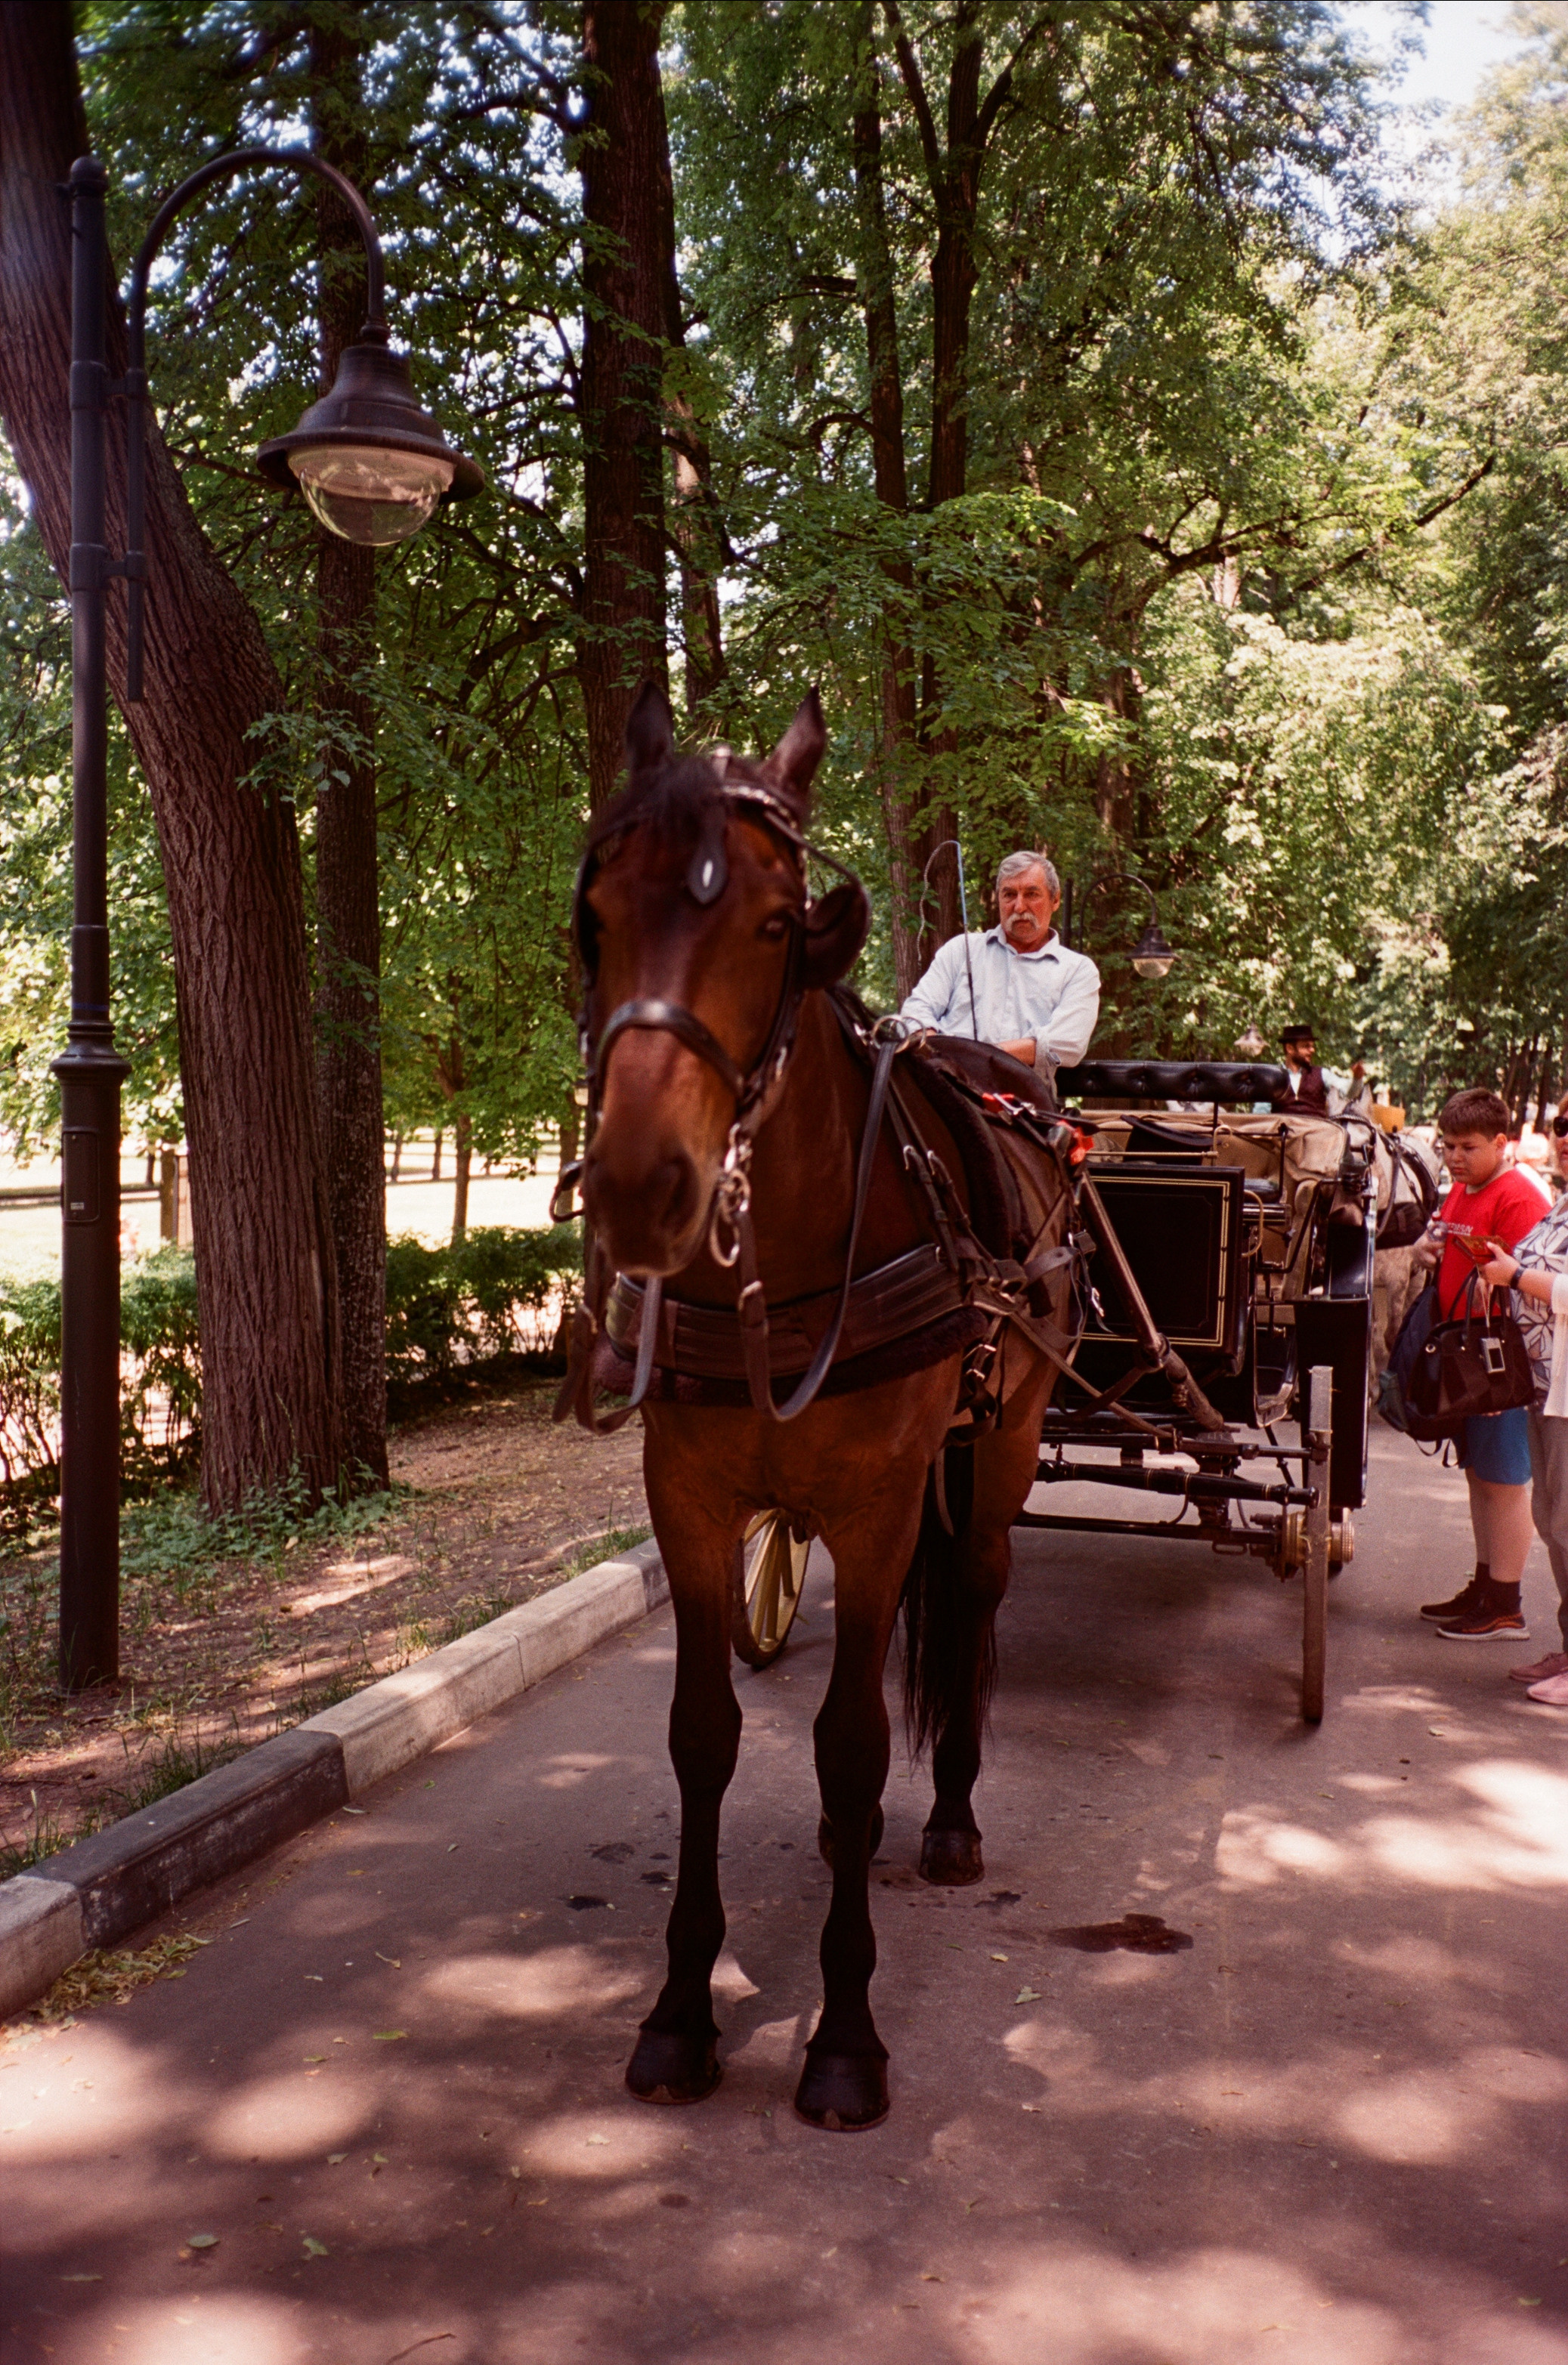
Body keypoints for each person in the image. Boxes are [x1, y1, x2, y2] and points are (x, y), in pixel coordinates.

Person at [1413, 1087, 1549, 1643]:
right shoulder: (1463, 1190)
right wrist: (1428, 1248)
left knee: (1503, 1481)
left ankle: (1506, 1603)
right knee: (1479, 1476)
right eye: (1446, 1146)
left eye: (1466, 1147)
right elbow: (1447, 1239)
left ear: (1501, 1143)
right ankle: (1485, 1582)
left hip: (1496, 1360)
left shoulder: (1517, 1195)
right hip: (1464, 1355)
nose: (1452, 1157)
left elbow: (1525, 1278)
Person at [1479, 1181, 1568, 1702]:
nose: (1563, 1136)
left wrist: (1514, 1275)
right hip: (1543, 1388)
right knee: (1553, 1522)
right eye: (1560, 1124)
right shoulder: (1560, 1204)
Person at [898, 851, 1099, 1077]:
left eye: (1032, 894)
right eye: (1009, 894)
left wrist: (975, 1057)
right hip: (944, 1083)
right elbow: (913, 1014)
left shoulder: (1077, 970)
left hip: (1021, 1099)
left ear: (1055, 900)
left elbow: (1067, 1044)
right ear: (999, 899)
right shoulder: (961, 950)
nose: (1019, 906)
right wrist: (943, 1056)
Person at [1268, 1026, 1359, 1118]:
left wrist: (1357, 1079)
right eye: (1306, 1046)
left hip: (1316, 1129)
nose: (1312, 1050)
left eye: (1312, 1046)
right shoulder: (1273, 1077)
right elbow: (1261, 1112)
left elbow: (1348, 1094)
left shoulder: (1322, 1074)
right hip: (1283, 1130)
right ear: (1290, 1048)